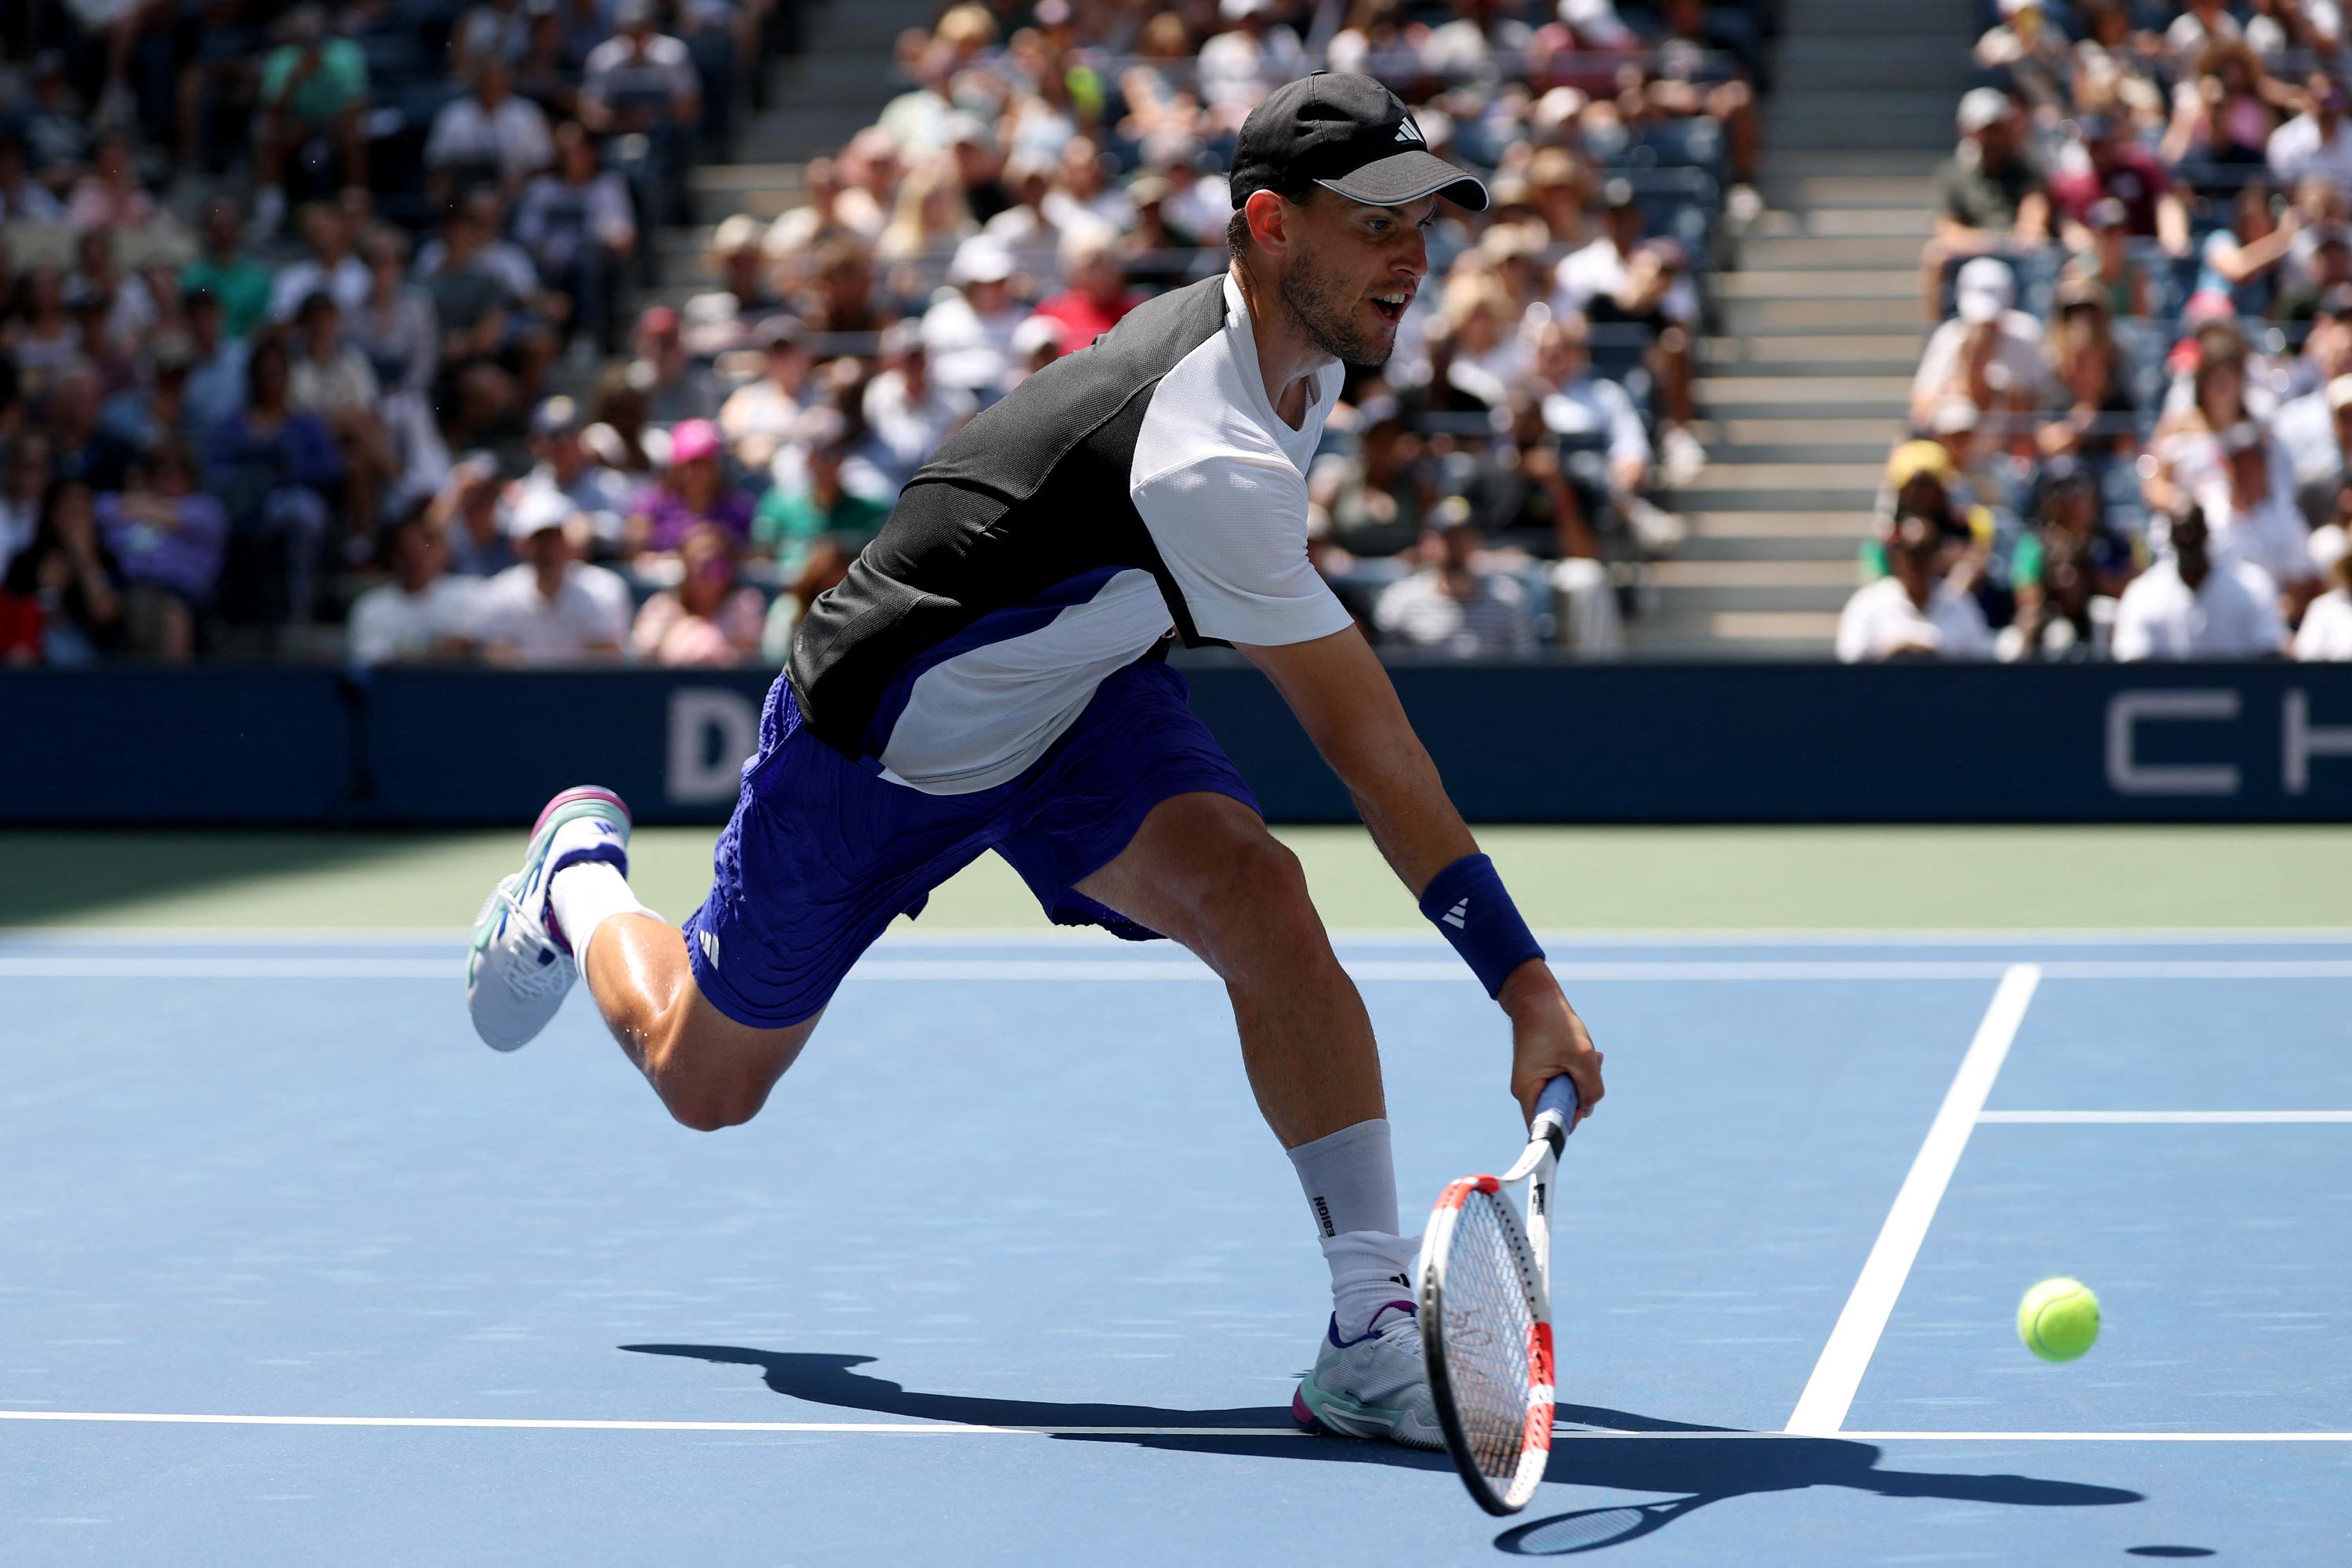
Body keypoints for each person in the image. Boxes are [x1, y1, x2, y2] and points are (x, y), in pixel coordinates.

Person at [460, 73, 1602, 1455]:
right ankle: (578, 881)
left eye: (1426, 220)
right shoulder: (1207, 451)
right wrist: (1525, 986)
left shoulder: (1302, 368)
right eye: (1376, 224)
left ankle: (1370, 1333)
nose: (1412, 256)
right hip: (879, 743)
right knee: (706, 1082)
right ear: (1270, 226)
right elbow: (1369, 746)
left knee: (1260, 895)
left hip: (1074, 696)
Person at [466, 490, 633, 662]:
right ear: (520, 545)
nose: (548, 549)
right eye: (539, 540)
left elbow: (605, 664)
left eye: (556, 538)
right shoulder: (498, 593)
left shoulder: (604, 590)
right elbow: (499, 662)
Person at [2115, 505, 2287, 659]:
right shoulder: (2143, 594)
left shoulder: (2254, 585)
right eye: (2180, 533)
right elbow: (2133, 662)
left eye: (2193, 531)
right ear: (2171, 538)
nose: (2188, 540)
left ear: (2207, 534)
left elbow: (2270, 654)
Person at [1371, 504, 1538, 657]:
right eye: (1448, 538)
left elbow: (1525, 663)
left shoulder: (1507, 598)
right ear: (1427, 543)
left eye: (1464, 537)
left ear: (1476, 541)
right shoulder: (1399, 600)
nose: (1457, 545)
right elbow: (1389, 672)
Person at [1835, 513, 1996, 662]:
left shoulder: (1959, 603)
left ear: (1936, 555)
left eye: (1926, 551)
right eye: (1911, 552)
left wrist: (1937, 658)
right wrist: (1892, 655)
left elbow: (1980, 660)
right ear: (1897, 556)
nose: (1918, 561)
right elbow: (1850, 660)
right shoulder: (1868, 603)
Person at [349, 514, 478, 664]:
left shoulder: (467, 595)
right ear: (393, 557)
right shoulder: (370, 607)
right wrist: (435, 651)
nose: (415, 561)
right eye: (406, 553)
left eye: (422, 552)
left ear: (440, 552)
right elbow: (371, 659)